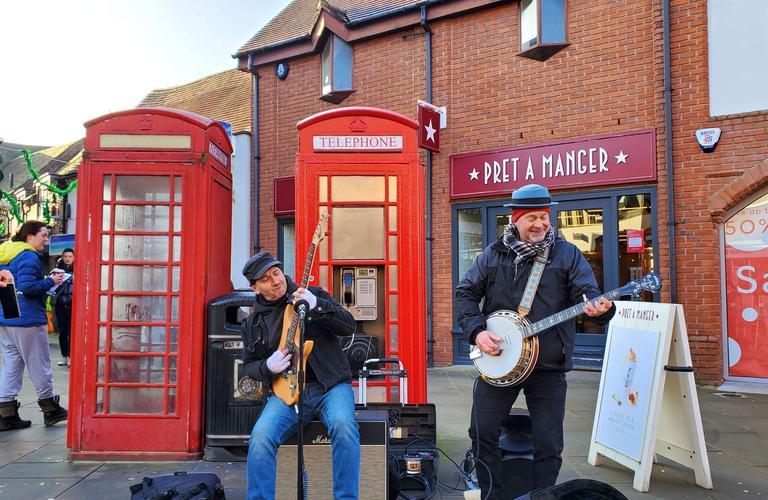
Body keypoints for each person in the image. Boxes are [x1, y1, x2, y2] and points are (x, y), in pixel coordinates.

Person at [455, 184, 615, 498]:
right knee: (482, 431)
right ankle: (492, 494)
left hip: (548, 364)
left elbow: (588, 293)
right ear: (515, 219)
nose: (540, 223)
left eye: (544, 216)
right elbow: (465, 294)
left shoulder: (567, 254)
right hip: (499, 360)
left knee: (549, 442)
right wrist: (477, 332)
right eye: (532, 217)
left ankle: (543, 495)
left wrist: (600, 308)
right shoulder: (493, 254)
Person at [240, 251, 360, 500]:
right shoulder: (253, 324)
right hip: (286, 393)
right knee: (260, 438)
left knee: (343, 426)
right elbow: (250, 366)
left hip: (330, 387)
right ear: (255, 288)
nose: (275, 280)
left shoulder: (311, 295)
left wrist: (318, 305)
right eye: (265, 278)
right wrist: (267, 367)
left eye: (276, 272)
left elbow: (349, 326)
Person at [0, 221, 68, 431]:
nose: (46, 240)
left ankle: (6, 413)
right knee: (39, 363)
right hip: (27, 318)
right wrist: (52, 281)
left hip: (6, 316)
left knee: (11, 365)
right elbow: (29, 288)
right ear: (29, 236)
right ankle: (50, 408)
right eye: (44, 235)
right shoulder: (28, 256)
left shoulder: (5, 253)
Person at [51, 248, 74, 367]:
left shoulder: (78, 269)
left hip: (73, 304)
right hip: (60, 304)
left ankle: (70, 356)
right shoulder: (57, 270)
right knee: (62, 332)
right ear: (62, 257)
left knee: (72, 332)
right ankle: (64, 356)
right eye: (65, 256)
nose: (68, 259)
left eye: (70, 256)